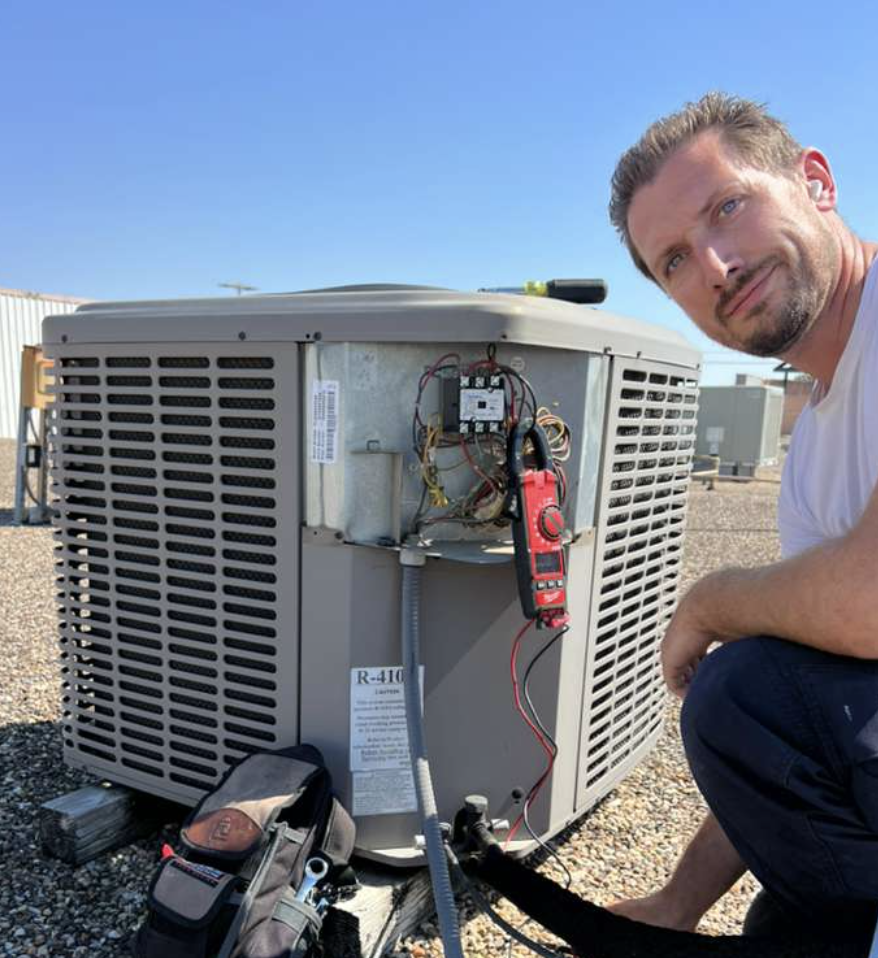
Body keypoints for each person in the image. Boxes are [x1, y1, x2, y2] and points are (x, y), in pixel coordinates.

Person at [605, 92, 878, 939]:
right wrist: (675, 907)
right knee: (785, 920)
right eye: (676, 260)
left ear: (817, 183)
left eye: (728, 207)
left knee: (739, 683)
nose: (717, 265)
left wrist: (708, 601)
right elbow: (802, 735)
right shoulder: (816, 452)